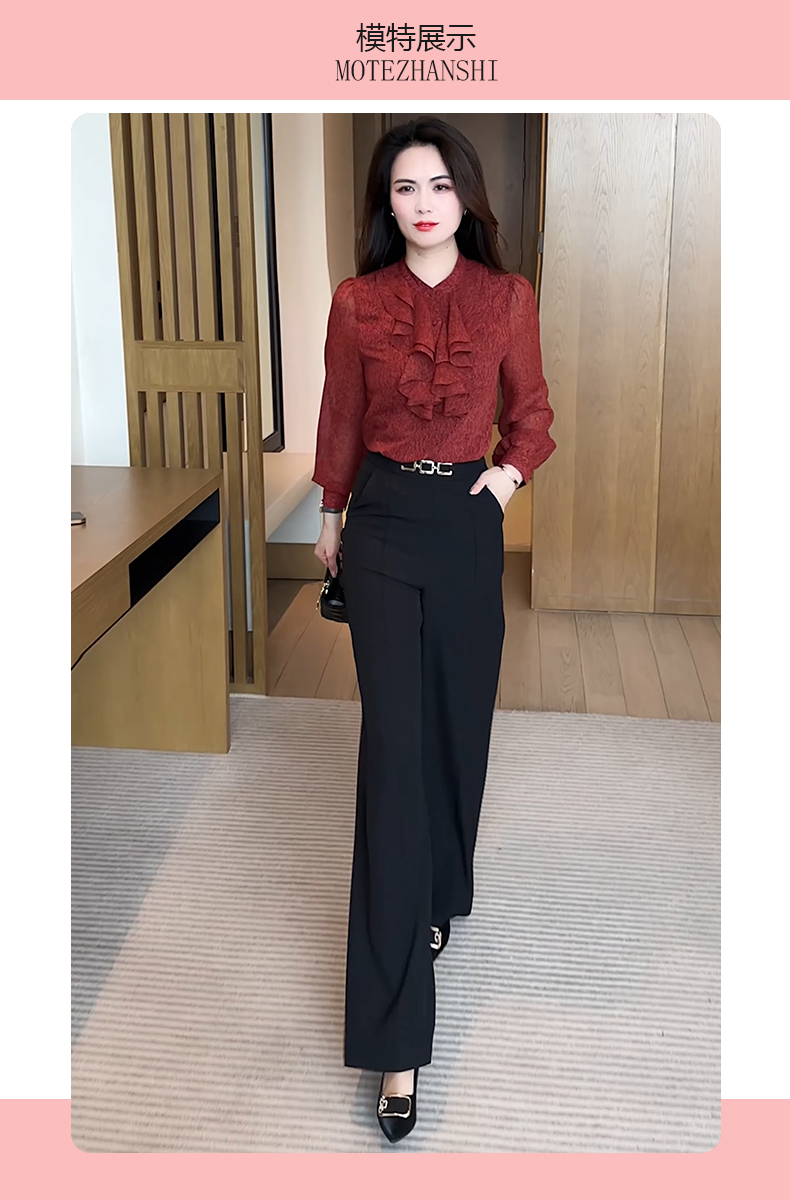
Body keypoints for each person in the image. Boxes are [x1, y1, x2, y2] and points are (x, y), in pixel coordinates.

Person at [312, 117, 556, 1142]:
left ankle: (438, 894)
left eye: (440, 185)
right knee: (393, 760)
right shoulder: (356, 301)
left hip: (463, 522)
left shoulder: (506, 298)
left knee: (458, 731)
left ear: (465, 198)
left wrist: (500, 486)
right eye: (406, 186)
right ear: (389, 201)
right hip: (379, 526)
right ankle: (397, 1039)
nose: (423, 202)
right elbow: (339, 413)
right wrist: (331, 513)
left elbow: (533, 416)